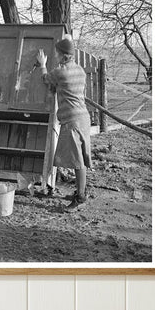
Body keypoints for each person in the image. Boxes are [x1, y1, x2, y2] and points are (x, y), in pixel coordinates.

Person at [36, 36, 92, 212]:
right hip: (83, 118)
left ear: (62, 55)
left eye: (57, 52)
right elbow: (61, 87)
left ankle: (80, 197)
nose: (55, 55)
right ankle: (80, 191)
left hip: (72, 121)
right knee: (80, 158)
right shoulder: (80, 70)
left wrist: (42, 63)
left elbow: (46, 79)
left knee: (77, 161)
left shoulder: (61, 72)